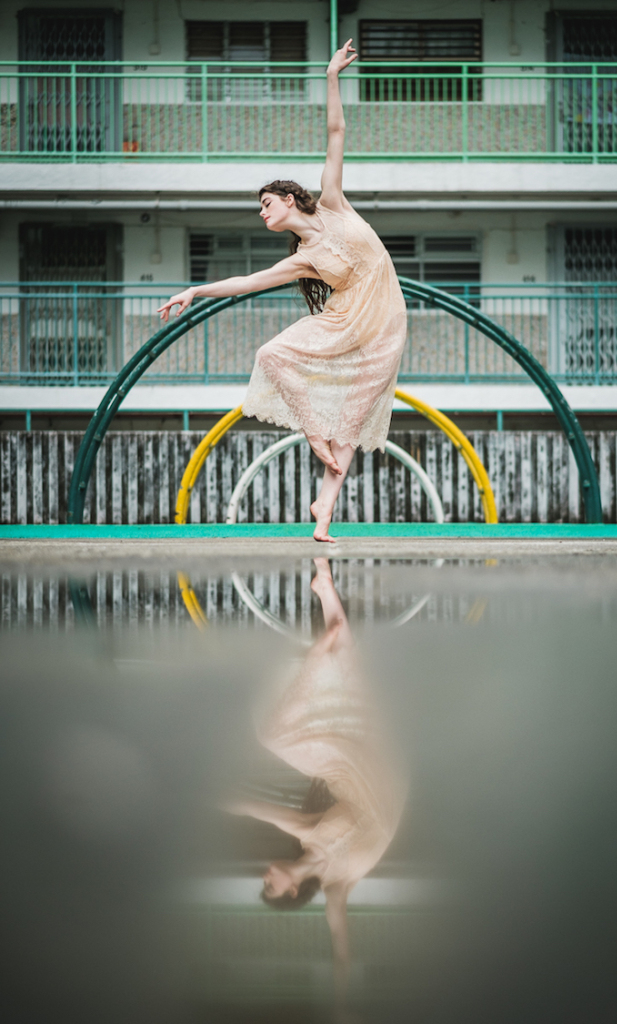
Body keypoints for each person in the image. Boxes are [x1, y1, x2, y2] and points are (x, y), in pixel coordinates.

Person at [157, 40, 407, 541]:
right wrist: (195, 289)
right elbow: (247, 283)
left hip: (384, 322)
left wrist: (332, 74)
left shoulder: (333, 203)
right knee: (272, 353)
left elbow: (337, 131)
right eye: (261, 207)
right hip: (344, 320)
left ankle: (324, 508)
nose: (263, 212)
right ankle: (314, 432)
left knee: (354, 422)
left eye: (267, 203)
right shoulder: (303, 260)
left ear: (291, 199)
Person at [227, 558, 407, 1016]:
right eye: (270, 885)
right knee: (280, 731)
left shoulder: (305, 831)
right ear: (291, 892)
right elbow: (342, 952)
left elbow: (251, 807)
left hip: (349, 768)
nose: (266, 875)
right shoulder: (337, 888)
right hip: (383, 773)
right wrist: (342, 1011)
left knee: (291, 719)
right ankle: (319, 646)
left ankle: (324, 583)